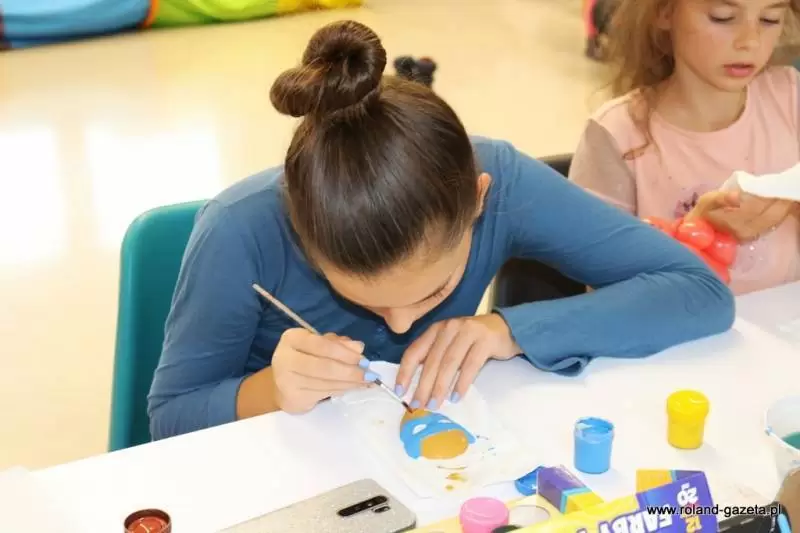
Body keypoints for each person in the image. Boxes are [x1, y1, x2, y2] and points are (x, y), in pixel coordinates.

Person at [146, 20, 734, 441]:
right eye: (362, 299)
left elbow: (699, 291)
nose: (402, 327)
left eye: (434, 291)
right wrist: (272, 390)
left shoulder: (503, 181)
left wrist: (509, 329)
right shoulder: (238, 231)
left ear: (479, 200)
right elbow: (169, 417)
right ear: (301, 233)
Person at [569, 0, 800, 296]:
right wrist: (692, 234)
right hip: (678, 322)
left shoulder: (789, 96)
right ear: (664, 12)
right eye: (723, 17)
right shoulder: (617, 134)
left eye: (769, 19)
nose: (750, 41)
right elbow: (603, 287)